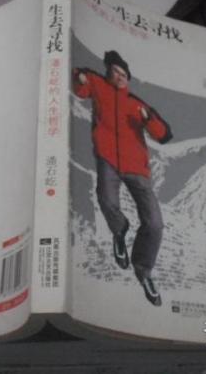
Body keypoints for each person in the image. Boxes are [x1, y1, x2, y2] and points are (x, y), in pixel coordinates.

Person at [73, 50, 172, 306]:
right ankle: (120, 231)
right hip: (108, 159)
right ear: (108, 73)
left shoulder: (136, 104)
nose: (119, 76)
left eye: (123, 74)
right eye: (115, 72)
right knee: (106, 200)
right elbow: (81, 87)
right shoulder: (98, 85)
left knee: (155, 224)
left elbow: (163, 134)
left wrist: (149, 120)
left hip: (137, 168)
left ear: (128, 78)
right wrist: (80, 77)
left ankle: (143, 270)